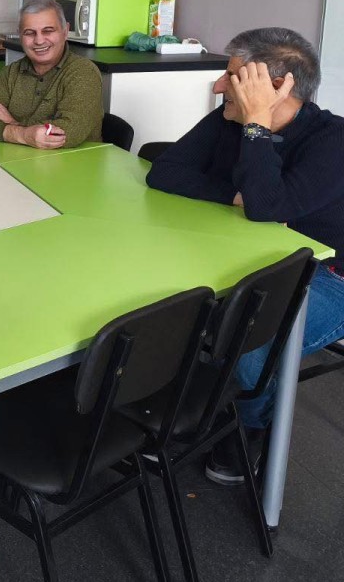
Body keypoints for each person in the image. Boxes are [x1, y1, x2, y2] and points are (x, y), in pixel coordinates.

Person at [145, 27, 344, 484]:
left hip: (329, 275)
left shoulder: (333, 141)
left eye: (232, 76)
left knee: (251, 348)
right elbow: (165, 172)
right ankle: (201, 404)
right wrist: (238, 195)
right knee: (165, 302)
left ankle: (251, 425)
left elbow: (267, 206)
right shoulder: (227, 118)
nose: (219, 85)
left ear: (275, 87)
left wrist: (256, 126)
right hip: (253, 256)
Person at [0, 0, 103, 148]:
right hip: (19, 159)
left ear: (65, 32)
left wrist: (12, 123)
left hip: (76, 161)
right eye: (29, 33)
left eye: (48, 31)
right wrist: (24, 135)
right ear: (20, 36)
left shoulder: (84, 72)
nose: (39, 41)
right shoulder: (11, 72)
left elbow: (67, 133)